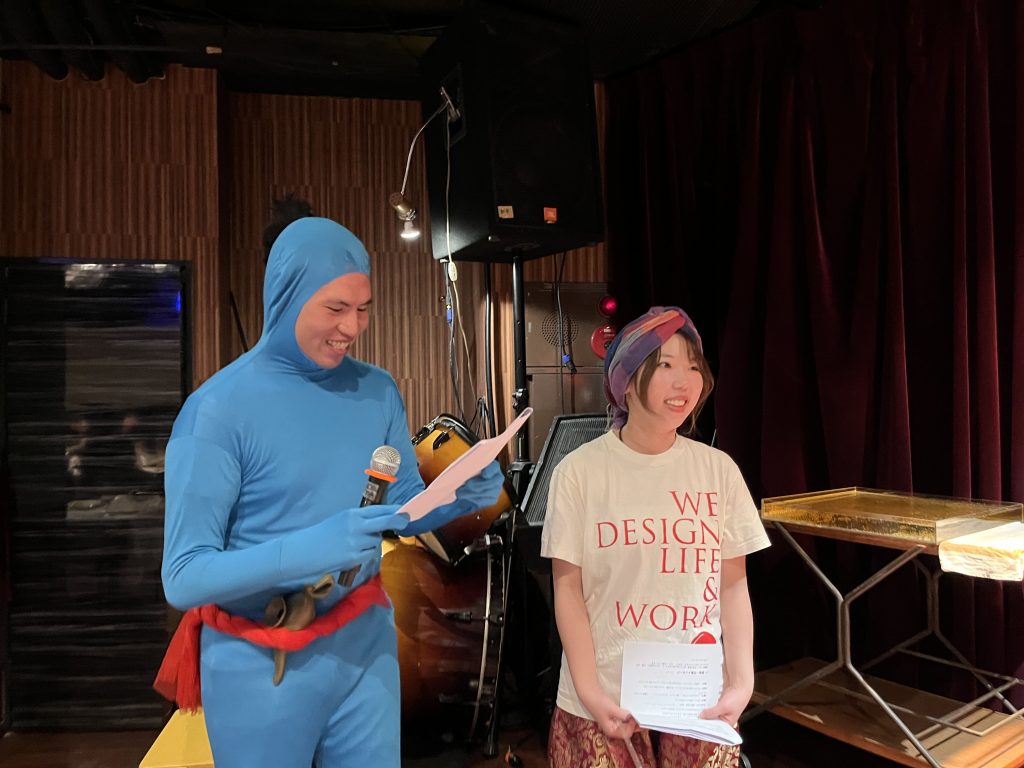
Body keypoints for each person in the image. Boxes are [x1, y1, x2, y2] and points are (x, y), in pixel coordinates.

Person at [153, 216, 504, 768]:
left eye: (362, 308)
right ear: (286, 297)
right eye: (335, 308)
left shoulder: (377, 390)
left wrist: (459, 497)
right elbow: (184, 575)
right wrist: (309, 547)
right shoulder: (216, 410)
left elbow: (402, 505)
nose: (352, 326)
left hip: (366, 645)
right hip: (259, 660)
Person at [541, 306, 770, 767]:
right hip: (603, 693)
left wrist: (741, 682)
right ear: (626, 381)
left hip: (697, 698)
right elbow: (568, 590)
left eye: (693, 367)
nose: (684, 381)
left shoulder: (718, 470)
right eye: (665, 365)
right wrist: (590, 691)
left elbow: (732, 585)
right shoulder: (579, 473)